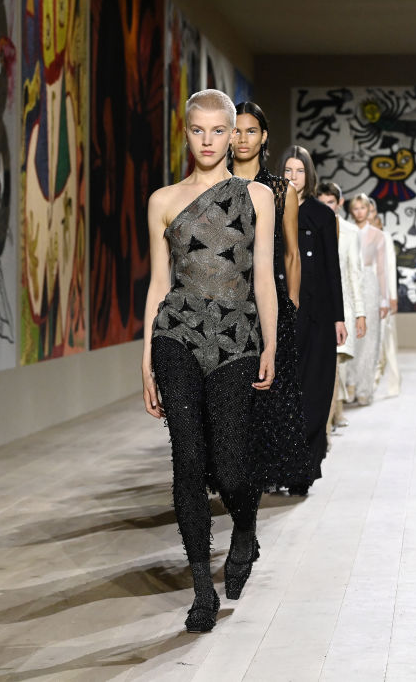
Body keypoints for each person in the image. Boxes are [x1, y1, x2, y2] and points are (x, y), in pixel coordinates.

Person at [142, 90, 278, 633]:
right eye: (197, 130)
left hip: (237, 337)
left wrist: (271, 344)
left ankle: (244, 527)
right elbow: (158, 284)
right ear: (186, 132)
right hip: (176, 333)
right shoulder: (163, 200)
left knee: (231, 466)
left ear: (232, 134)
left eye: (218, 130)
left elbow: (263, 277)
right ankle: (202, 588)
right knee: (187, 459)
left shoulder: (258, 197)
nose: (208, 140)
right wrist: (146, 358)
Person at [230, 101, 311, 492]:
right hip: (224, 300)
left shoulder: (282, 190)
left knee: (273, 388)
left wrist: (291, 301)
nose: (243, 139)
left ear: (263, 137)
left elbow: (292, 253)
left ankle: (272, 470)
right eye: (236, 130)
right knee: (231, 387)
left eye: (251, 131)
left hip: (270, 299)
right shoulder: (212, 187)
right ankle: (234, 468)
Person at [280, 145, 346, 492]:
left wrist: (339, 317)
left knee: (315, 391)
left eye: (299, 170)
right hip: (280, 310)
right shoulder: (271, 206)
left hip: (317, 312)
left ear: (309, 174)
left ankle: (304, 469)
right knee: (282, 391)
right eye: (288, 170)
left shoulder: (321, 214)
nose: (293, 177)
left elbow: (332, 268)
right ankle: (279, 466)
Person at [317, 181, 366, 435]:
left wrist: (360, 312)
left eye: (331, 203)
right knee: (323, 367)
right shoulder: (308, 225)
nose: (326, 208)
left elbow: (354, 274)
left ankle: (326, 429)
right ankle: (332, 415)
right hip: (315, 307)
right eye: (322, 203)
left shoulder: (350, 232)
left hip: (341, 308)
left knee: (334, 366)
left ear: (339, 203)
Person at [347, 193, 388, 405]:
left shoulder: (377, 235)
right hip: (349, 284)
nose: (360, 212)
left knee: (369, 339)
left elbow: (382, 268)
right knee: (351, 337)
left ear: (368, 210)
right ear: (351, 211)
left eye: (363, 208)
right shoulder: (345, 231)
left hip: (370, 285)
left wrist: (384, 300)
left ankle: (365, 389)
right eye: (356, 208)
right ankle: (350, 386)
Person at [373, 199, 401, 398]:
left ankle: (393, 384)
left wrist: (393, 297)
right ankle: (371, 382)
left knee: (388, 342)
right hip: (368, 295)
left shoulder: (384, 238)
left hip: (383, 295)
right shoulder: (359, 236)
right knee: (373, 342)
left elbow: (390, 267)